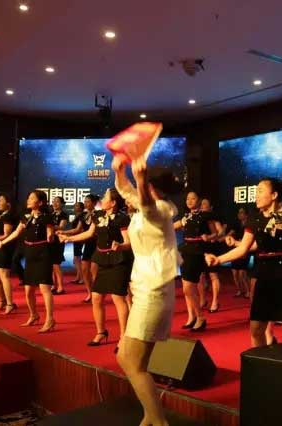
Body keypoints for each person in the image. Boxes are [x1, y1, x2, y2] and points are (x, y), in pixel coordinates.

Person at [206, 178, 282, 347]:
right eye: (256, 191)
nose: (256, 195)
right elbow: (243, 249)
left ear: (274, 195)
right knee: (256, 329)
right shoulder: (254, 219)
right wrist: (219, 259)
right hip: (264, 274)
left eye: (260, 191)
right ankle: (259, 361)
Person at [112, 154, 183, 426]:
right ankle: (150, 416)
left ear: (152, 186)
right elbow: (127, 192)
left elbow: (145, 204)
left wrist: (139, 180)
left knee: (132, 362)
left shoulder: (162, 210)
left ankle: (158, 421)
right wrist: (120, 172)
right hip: (145, 288)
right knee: (126, 357)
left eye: (144, 182)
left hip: (154, 291)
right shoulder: (147, 206)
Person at [60, 189, 133, 351]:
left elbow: (128, 242)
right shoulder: (98, 215)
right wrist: (69, 238)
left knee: (118, 299)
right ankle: (101, 332)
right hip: (102, 260)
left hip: (118, 262)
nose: (102, 199)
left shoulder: (122, 218)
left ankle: (123, 337)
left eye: (105, 197)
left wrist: (120, 246)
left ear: (113, 203)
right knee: (96, 298)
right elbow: (89, 233)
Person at [0, 191, 56, 333]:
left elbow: (50, 234)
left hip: (43, 254)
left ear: (40, 202)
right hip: (30, 254)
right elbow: (16, 232)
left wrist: (51, 236)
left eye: (32, 198)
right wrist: (3, 242)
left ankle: (50, 319)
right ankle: (33, 315)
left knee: (44, 288)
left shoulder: (47, 217)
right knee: (28, 289)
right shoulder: (26, 217)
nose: (28, 200)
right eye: (28, 198)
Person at [173, 192, 221, 332]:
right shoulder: (186, 216)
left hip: (197, 252)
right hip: (185, 251)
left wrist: (208, 237)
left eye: (193, 198)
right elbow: (172, 227)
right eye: (187, 198)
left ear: (198, 201)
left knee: (188, 288)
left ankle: (200, 317)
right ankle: (191, 317)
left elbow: (216, 233)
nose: (189, 201)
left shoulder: (205, 216)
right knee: (185, 287)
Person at [227, 208, 250, 298]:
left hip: (244, 250)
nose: (239, 214)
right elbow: (229, 233)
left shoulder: (249, 225)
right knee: (234, 273)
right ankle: (240, 290)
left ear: (246, 215)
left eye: (241, 213)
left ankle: (248, 291)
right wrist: (226, 237)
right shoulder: (236, 225)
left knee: (242, 274)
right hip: (236, 250)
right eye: (239, 213)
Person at [50, 197, 69, 295]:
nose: (55, 203)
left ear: (62, 204)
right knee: (51, 265)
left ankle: (61, 287)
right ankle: (54, 285)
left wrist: (49, 226)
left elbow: (61, 227)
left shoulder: (63, 214)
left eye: (57, 202)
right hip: (50, 241)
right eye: (53, 201)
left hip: (58, 241)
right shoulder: (50, 214)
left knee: (56, 264)